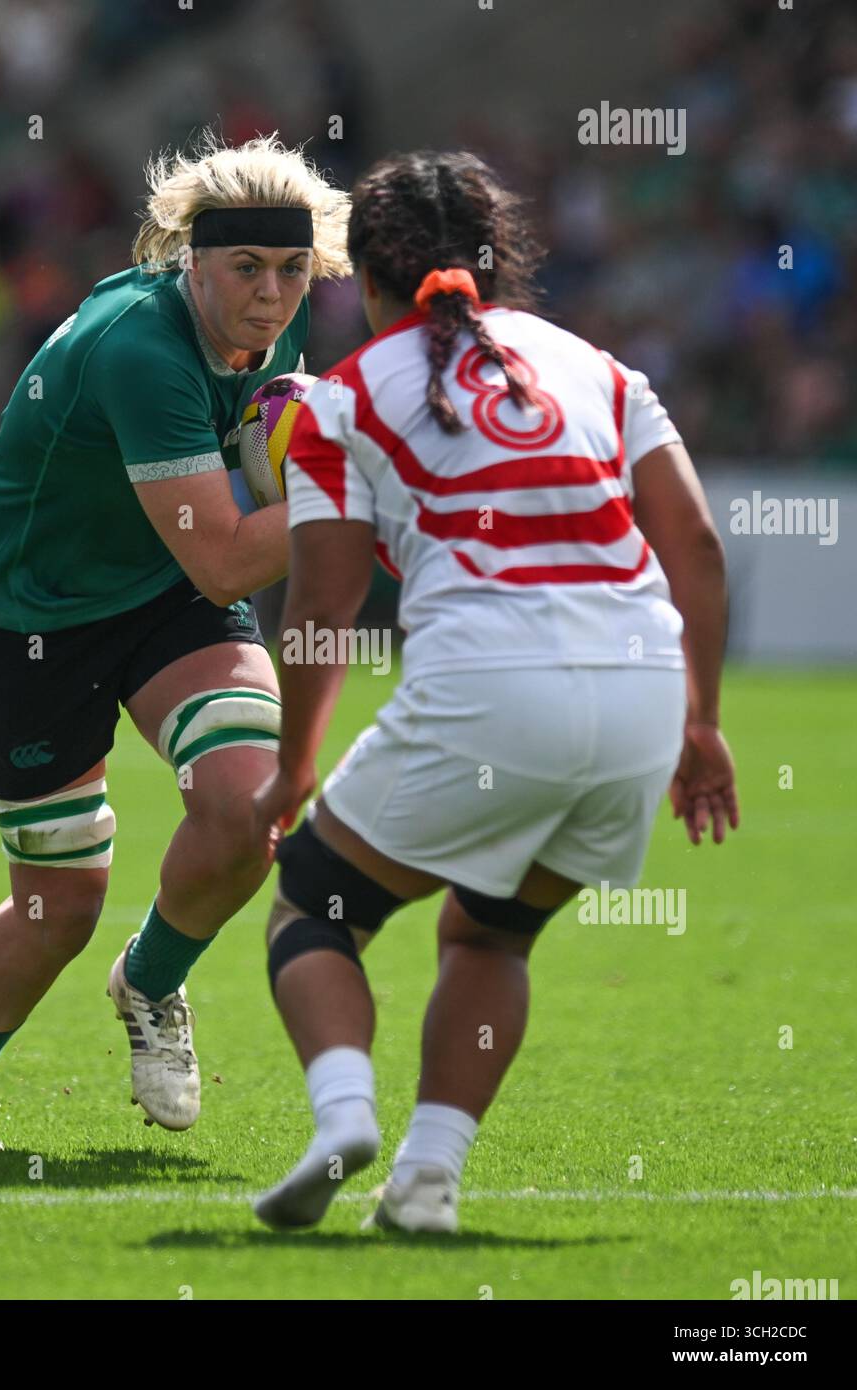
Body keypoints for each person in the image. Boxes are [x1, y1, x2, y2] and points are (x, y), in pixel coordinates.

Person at [250, 150, 739, 1233]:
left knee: (314, 903)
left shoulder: (342, 397)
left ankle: (341, 1117)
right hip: (642, 692)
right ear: (498, 262)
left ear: (366, 281)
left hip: (489, 684)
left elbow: (321, 605)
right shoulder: (596, 367)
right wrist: (701, 723)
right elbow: (696, 547)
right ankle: (427, 1180)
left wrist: (291, 766)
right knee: (488, 934)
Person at [0, 133, 351, 1150]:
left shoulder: (277, 330)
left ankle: (149, 983)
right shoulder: (140, 349)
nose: (271, 296)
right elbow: (231, 562)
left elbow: (243, 507)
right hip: (27, 608)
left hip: (158, 585)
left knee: (248, 807)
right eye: (245, 268)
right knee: (60, 900)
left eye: (291, 270)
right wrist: (362, 496)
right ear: (191, 262)